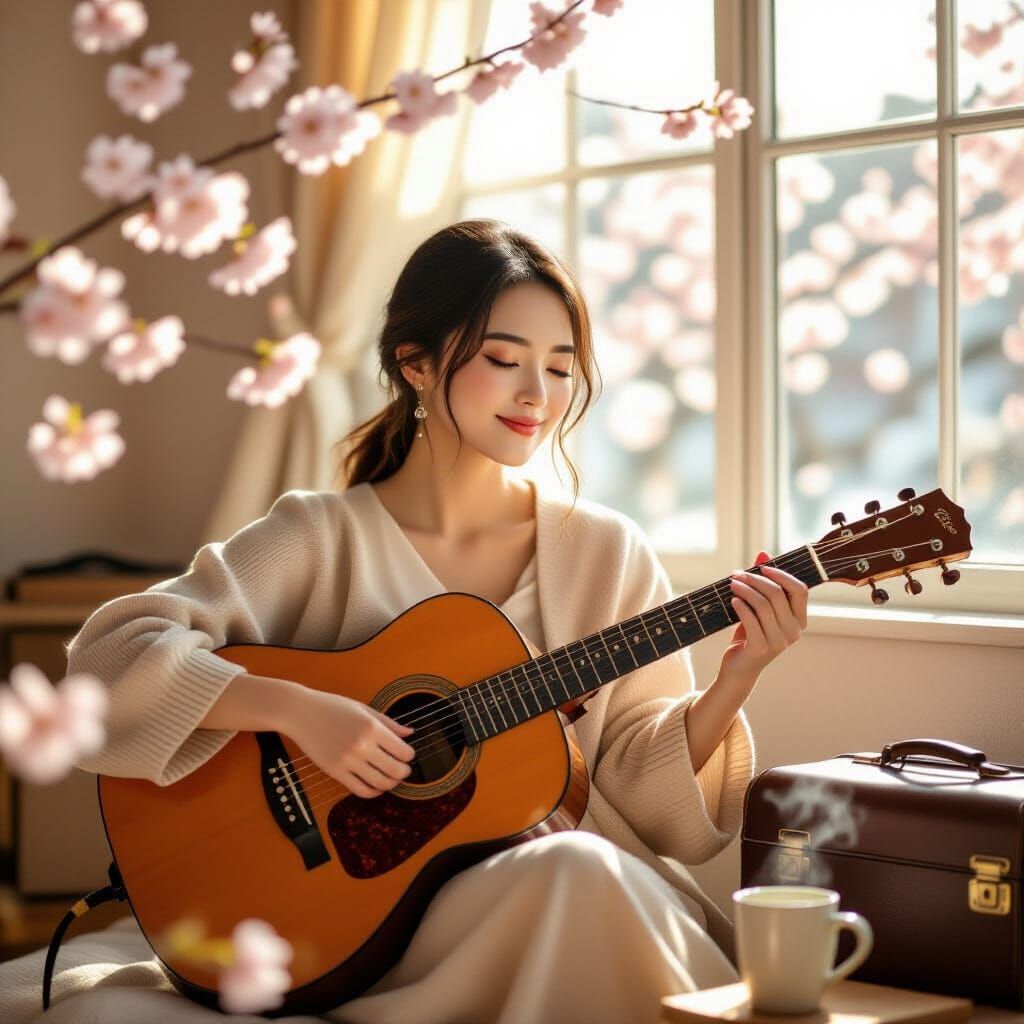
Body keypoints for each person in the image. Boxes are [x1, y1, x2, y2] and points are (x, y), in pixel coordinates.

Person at [0, 219, 808, 1024]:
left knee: (579, 872)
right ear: (414, 364)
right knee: (579, 876)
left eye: (561, 369)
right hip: (355, 925)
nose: (538, 394)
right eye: (504, 360)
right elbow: (110, 658)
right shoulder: (319, 535)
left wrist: (735, 679)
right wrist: (297, 710)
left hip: (531, 892)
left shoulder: (606, 550)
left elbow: (634, 788)